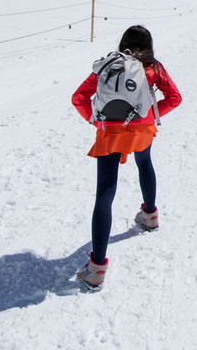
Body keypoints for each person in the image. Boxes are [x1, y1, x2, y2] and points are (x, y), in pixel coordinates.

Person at [70, 25, 182, 290]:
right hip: (143, 129)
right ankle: (150, 215)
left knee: (105, 194)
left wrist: (96, 121)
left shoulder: (110, 65)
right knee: (145, 164)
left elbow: (78, 97)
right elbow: (175, 98)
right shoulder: (154, 67)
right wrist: (151, 116)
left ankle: (96, 269)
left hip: (111, 132)